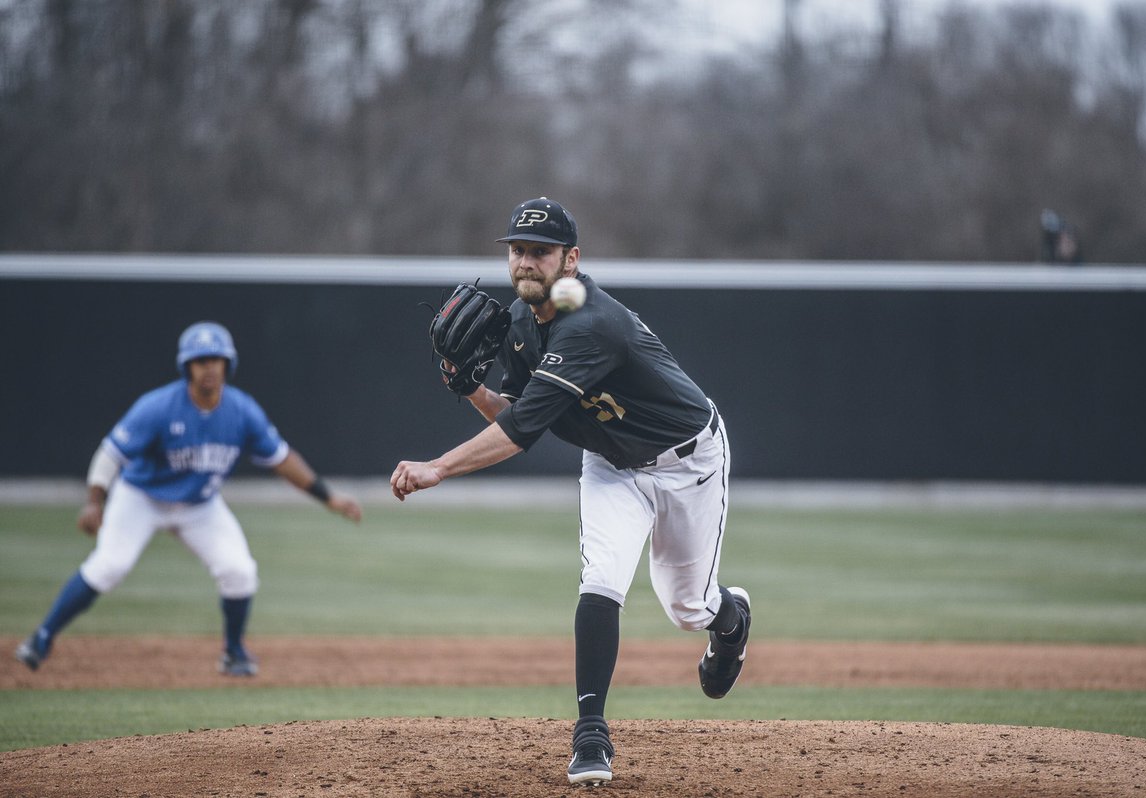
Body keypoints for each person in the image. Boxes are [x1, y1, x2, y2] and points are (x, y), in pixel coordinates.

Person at [390, 197, 751, 786]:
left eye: (540, 251)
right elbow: (516, 409)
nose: (525, 262)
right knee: (600, 580)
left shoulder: (589, 323)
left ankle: (730, 620)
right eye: (517, 250)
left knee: (688, 607)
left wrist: (437, 468)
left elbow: (521, 432)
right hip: (610, 462)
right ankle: (591, 734)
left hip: (686, 461)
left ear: (571, 260)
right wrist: (472, 388)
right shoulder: (519, 322)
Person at [14, 321, 362, 677]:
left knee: (239, 571)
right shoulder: (158, 407)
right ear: (187, 367)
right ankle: (42, 636)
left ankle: (234, 652)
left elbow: (283, 459)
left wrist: (328, 497)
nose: (209, 368)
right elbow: (110, 454)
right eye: (200, 361)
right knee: (109, 566)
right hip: (141, 498)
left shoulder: (242, 411)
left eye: (216, 360)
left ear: (228, 364)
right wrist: (94, 501)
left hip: (200, 505)